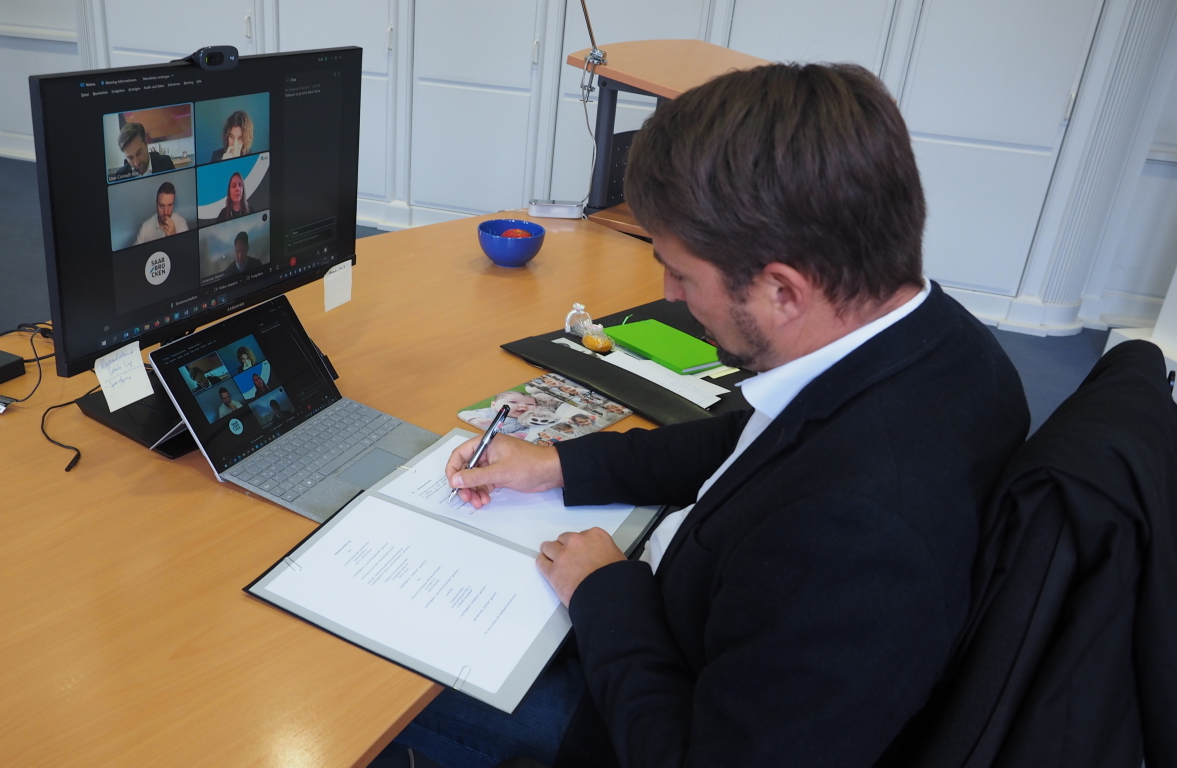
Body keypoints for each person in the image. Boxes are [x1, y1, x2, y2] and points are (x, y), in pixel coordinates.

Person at [385, 63, 1029, 768]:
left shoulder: (858, 535)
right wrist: (557, 464)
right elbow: (749, 441)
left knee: (378, 666)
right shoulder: (942, 341)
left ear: (783, 291)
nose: (668, 292)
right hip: (683, 626)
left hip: (627, 708)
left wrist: (604, 593)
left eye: (683, 274)